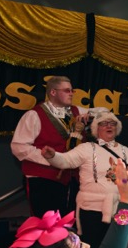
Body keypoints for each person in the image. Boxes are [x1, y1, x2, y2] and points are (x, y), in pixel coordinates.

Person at [41, 111, 128, 248]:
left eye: (112, 123)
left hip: (119, 208)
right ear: (96, 129)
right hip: (91, 208)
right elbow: (65, 161)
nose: (109, 126)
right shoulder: (87, 148)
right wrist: (52, 156)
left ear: (117, 127)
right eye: (103, 123)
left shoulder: (127, 152)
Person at [11, 76, 104, 217]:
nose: (71, 94)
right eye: (67, 90)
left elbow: (106, 112)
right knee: (46, 223)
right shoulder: (34, 115)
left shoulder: (76, 111)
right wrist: (52, 158)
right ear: (53, 92)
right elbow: (19, 147)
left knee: (70, 222)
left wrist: (90, 114)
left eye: (72, 90)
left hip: (72, 180)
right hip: (44, 179)